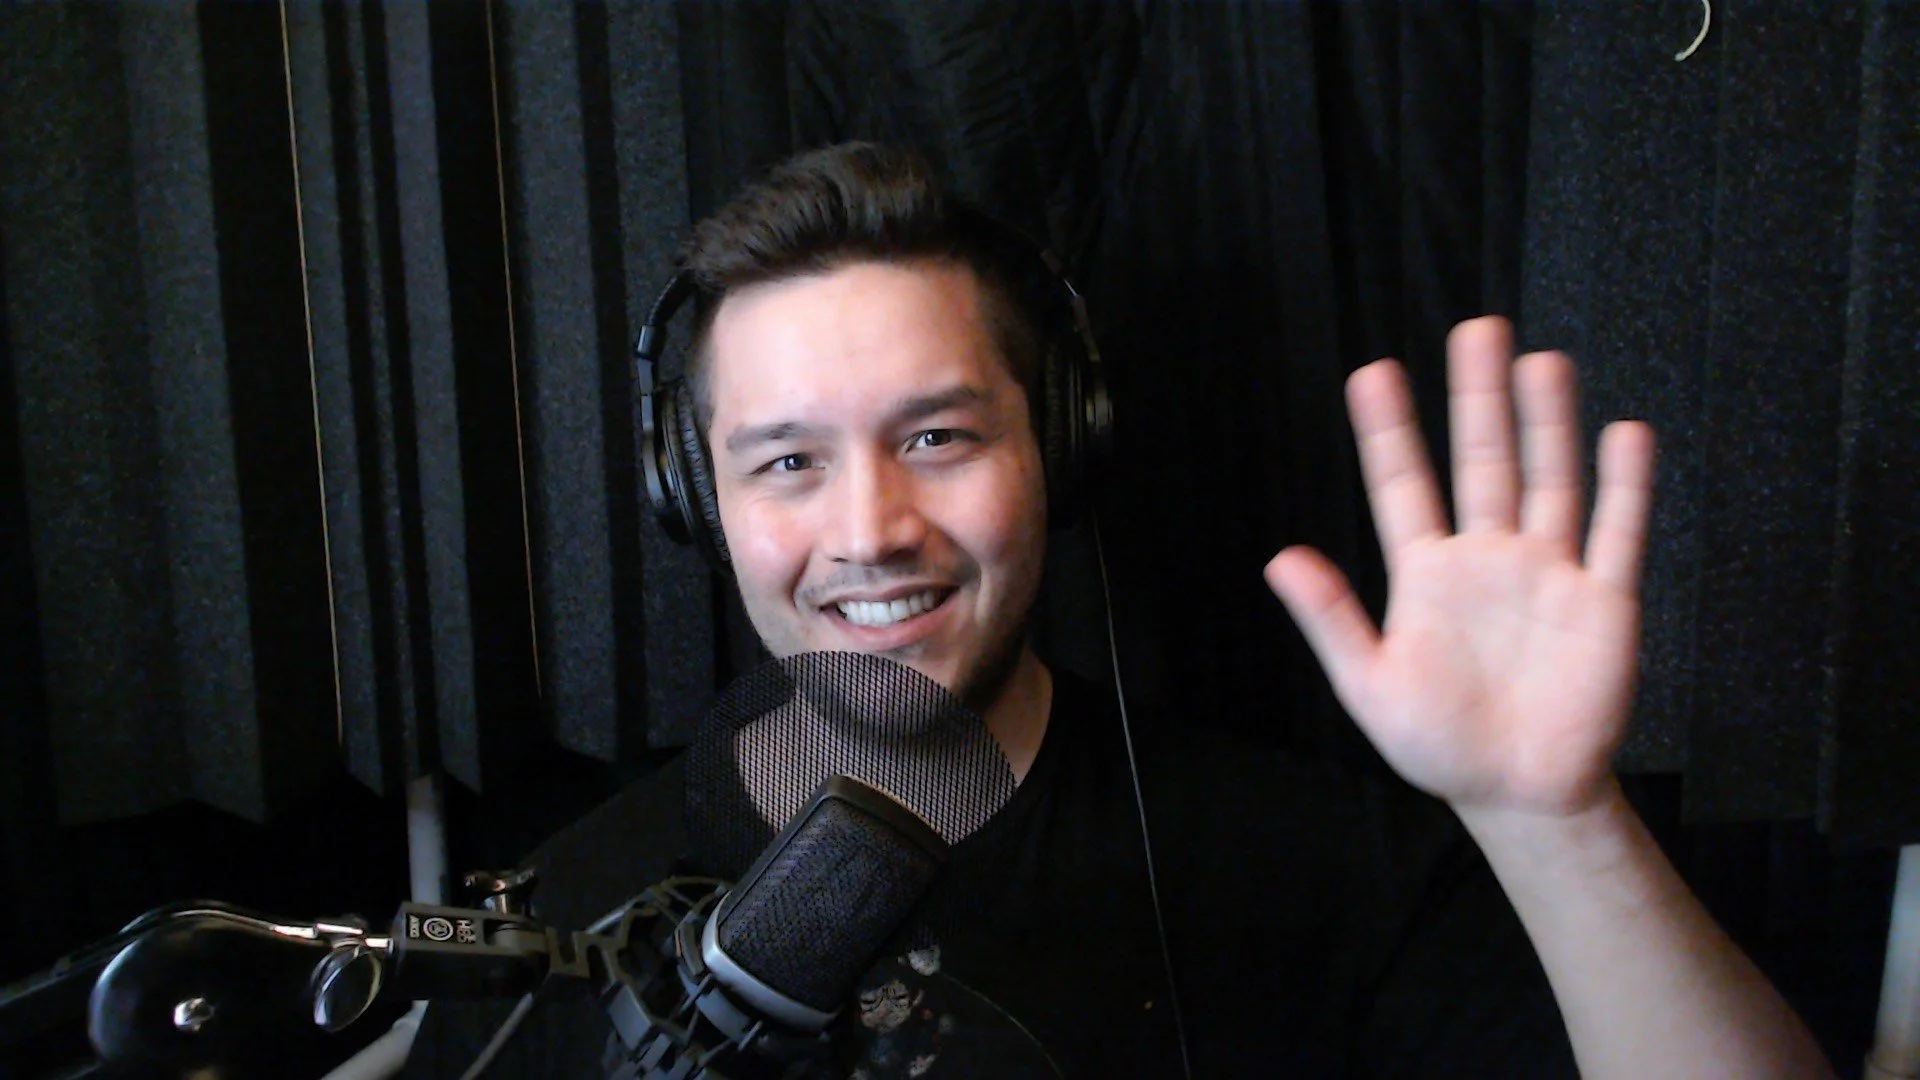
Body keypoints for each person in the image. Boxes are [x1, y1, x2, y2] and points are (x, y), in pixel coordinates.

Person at [404, 142, 1835, 1079]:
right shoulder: (565, 931)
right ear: (694, 496)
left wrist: (1554, 822)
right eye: (786, 461)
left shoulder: (1309, 864)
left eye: (938, 437)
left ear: (1062, 446)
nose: (869, 532)